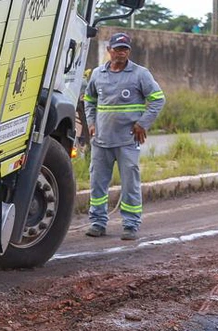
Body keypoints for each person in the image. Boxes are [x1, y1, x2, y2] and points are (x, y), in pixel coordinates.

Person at [83, 33, 165, 240]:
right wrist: (91, 123)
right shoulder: (97, 74)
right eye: (117, 49)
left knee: (130, 183)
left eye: (125, 49)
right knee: (98, 183)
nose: (121, 53)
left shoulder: (140, 74)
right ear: (109, 50)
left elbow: (157, 100)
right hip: (101, 141)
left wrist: (142, 123)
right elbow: (89, 99)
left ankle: (130, 224)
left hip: (128, 141)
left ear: (129, 51)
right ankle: (97, 222)